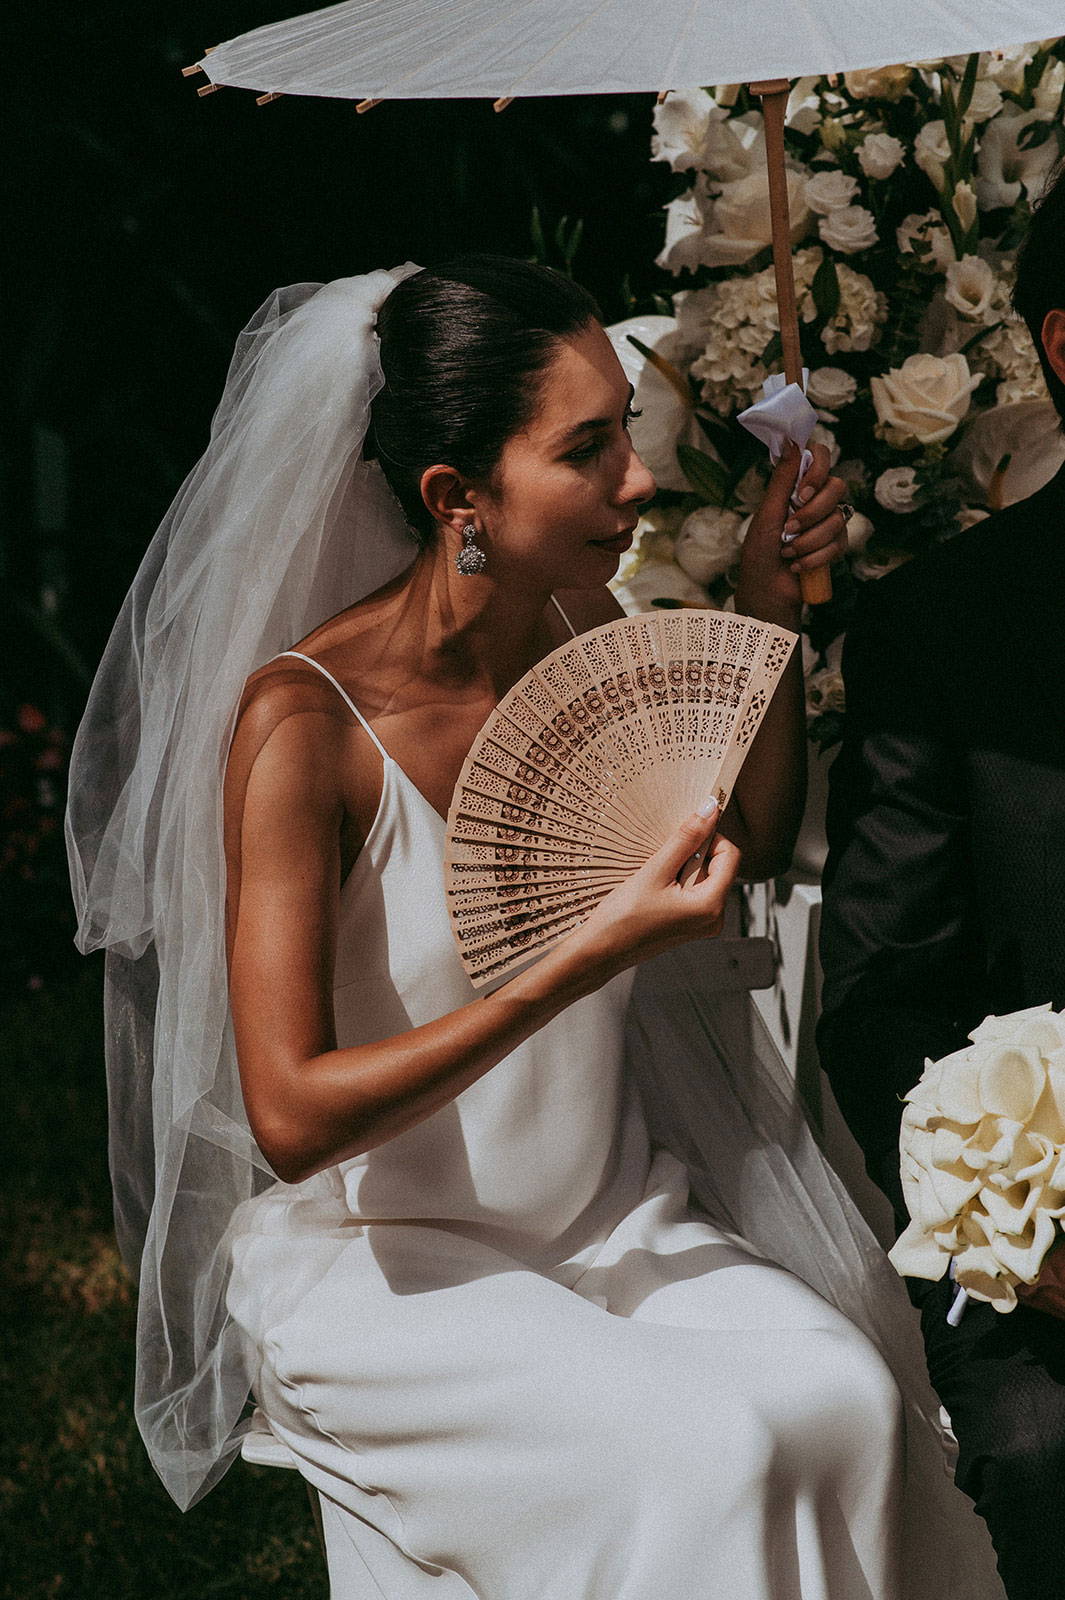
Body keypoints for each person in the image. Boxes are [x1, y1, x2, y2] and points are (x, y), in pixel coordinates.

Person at [68, 255, 1001, 1599]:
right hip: (391, 1266)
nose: (637, 480)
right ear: (459, 498)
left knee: (848, 1399)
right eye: (587, 449)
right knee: (720, 1452)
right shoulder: (304, 729)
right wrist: (579, 959)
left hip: (614, 1216)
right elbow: (288, 1116)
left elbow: (729, 846)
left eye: (627, 431)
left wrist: (766, 616)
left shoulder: (578, 626)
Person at [818, 164, 1065, 1600]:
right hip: (1051, 1249)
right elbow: (881, 995)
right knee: (1044, 1450)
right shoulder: (941, 635)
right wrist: (1026, 1251)